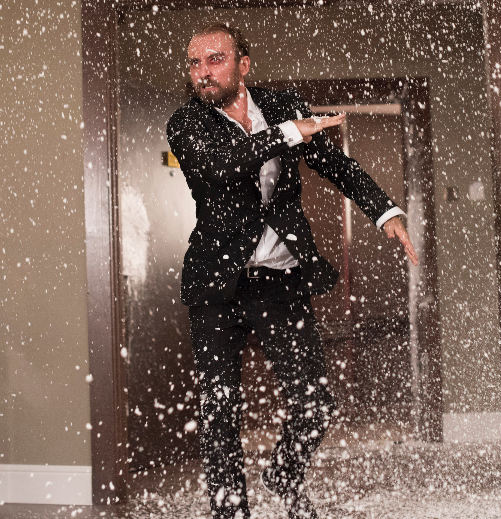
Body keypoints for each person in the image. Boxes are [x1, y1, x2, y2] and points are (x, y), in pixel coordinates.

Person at [167, 22, 417, 519]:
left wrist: (384, 212)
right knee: (219, 408)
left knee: (314, 402)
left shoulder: (282, 106)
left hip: (278, 282)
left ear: (243, 64)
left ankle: (284, 472)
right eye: (195, 63)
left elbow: (335, 165)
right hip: (216, 285)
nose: (203, 72)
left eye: (215, 59)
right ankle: (230, 511)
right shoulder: (186, 123)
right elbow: (222, 166)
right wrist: (286, 134)